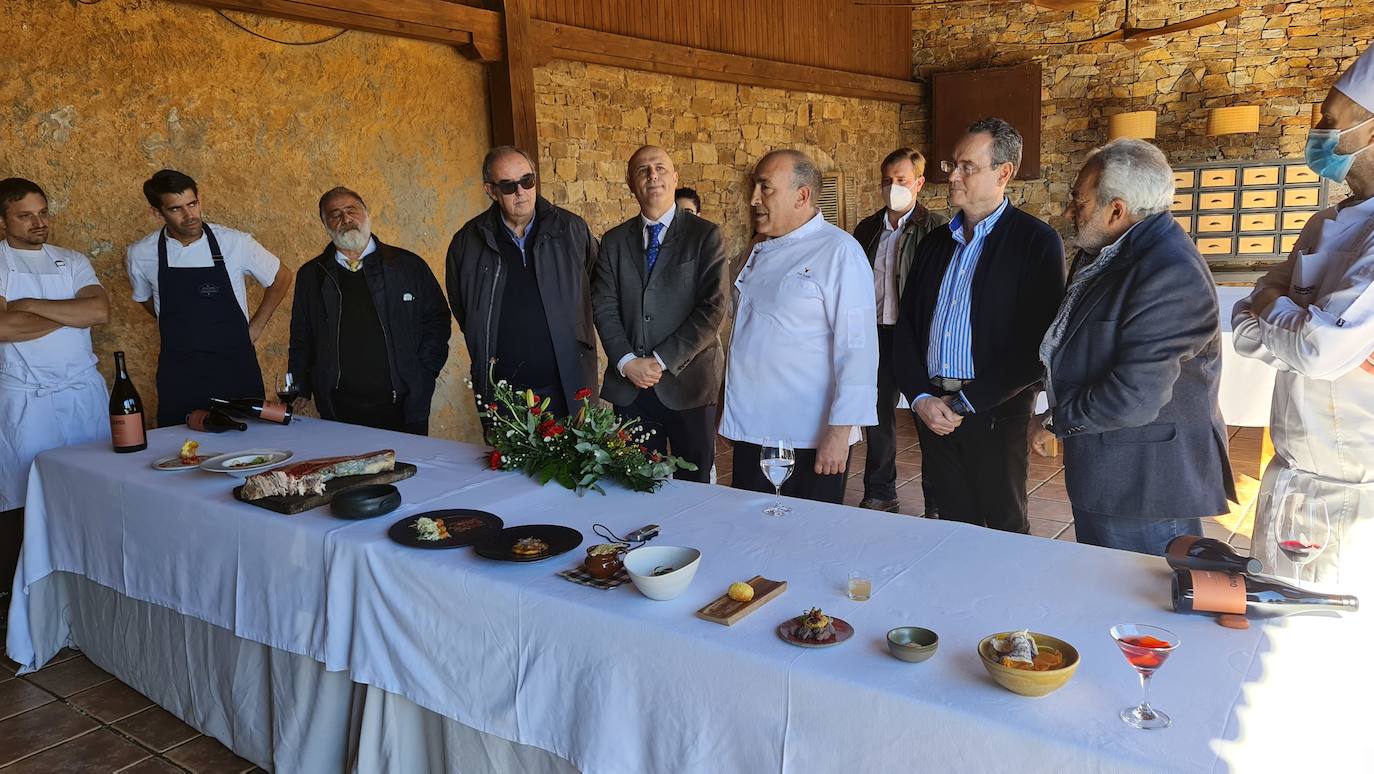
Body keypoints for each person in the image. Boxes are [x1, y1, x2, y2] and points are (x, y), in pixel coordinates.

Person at [1044, 140, 1236, 554]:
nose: (1069, 210)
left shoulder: (1168, 270)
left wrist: (1055, 421)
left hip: (1144, 485)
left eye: (1080, 200)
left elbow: (1134, 398)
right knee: (1103, 592)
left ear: (1117, 209)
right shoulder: (1112, 250)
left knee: (1139, 607)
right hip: (1114, 471)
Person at [1233, 44, 1374, 591]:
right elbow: (1248, 330)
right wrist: (1300, 320)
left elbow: (1320, 351)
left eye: (1331, 121)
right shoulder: (1323, 224)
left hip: (1351, 487)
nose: (1318, 133)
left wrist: (1278, 309)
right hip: (1291, 472)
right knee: (1268, 607)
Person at [893, 118, 1065, 532]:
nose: (953, 175)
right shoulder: (935, 242)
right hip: (933, 408)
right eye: (952, 164)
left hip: (994, 411)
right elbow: (907, 328)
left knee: (1004, 525)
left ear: (1003, 173)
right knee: (951, 524)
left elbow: (1038, 344)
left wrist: (966, 403)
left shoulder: (1034, 242)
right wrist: (919, 396)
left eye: (967, 166)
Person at [719, 149, 878, 504]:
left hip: (808, 435)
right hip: (752, 427)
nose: (753, 199)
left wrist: (840, 432)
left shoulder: (840, 252)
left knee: (807, 539)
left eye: (765, 188)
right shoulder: (757, 251)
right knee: (750, 530)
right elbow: (746, 336)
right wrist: (726, 410)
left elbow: (858, 350)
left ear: (802, 195)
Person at [0, 178, 110, 597]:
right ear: (4, 221)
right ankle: (26, 594)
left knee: (92, 486)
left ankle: (88, 583)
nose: (38, 222)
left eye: (43, 212)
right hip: (26, 398)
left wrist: (28, 306)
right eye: (25, 216)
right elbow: (3, 327)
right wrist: (68, 315)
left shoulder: (72, 260)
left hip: (81, 394)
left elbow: (99, 311)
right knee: (23, 496)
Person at [593, 147, 730, 483]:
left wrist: (660, 360)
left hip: (689, 385)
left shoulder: (705, 236)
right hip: (631, 388)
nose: (652, 175)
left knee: (695, 486)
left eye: (659, 168)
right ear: (630, 183)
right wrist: (626, 361)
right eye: (642, 170)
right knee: (636, 483)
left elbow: (713, 308)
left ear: (674, 177)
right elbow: (603, 305)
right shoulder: (612, 241)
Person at [126, 169, 290, 426]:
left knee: (248, 445)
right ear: (157, 213)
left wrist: (256, 326)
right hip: (179, 372)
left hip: (235, 367)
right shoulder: (141, 253)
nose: (189, 215)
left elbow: (282, 277)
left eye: (193, 204)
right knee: (180, 445)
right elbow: (146, 299)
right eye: (176, 209)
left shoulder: (235, 242)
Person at [446, 146, 599, 420]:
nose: (521, 192)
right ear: (490, 190)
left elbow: (597, 289)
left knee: (577, 461)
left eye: (527, 181)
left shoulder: (572, 230)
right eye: (508, 185)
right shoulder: (467, 243)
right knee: (507, 464)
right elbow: (464, 306)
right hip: (503, 392)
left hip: (568, 387)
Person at [287, 187, 450, 435]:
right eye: (335, 214)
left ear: (366, 213)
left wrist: (423, 373)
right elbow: (302, 335)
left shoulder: (407, 266)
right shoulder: (312, 276)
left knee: (411, 472)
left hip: (405, 405)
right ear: (324, 224)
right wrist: (300, 387)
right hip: (339, 409)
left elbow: (437, 319)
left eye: (351, 210)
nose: (345, 219)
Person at [851, 147, 948, 512]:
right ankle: (880, 491)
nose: (893, 187)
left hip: (918, 338)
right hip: (875, 333)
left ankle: (937, 501)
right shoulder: (867, 228)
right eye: (887, 181)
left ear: (919, 183)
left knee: (927, 417)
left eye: (902, 180)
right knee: (877, 415)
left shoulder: (937, 228)